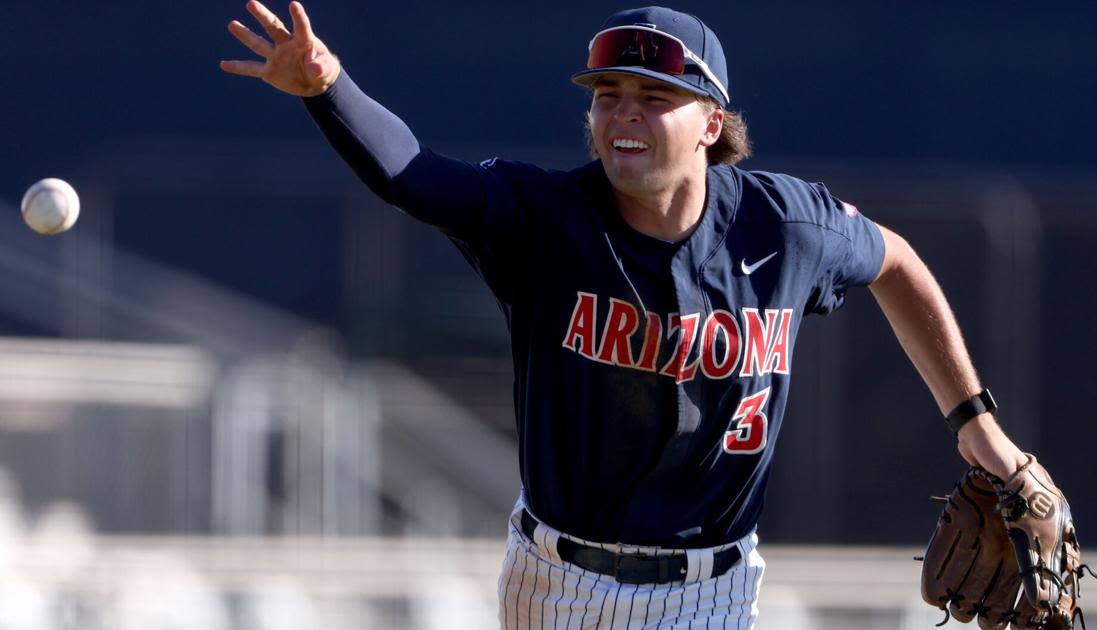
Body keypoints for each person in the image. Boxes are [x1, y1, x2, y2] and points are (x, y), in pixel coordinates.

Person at [220, 2, 1044, 627]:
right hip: (560, 586)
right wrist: (328, 89)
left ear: (711, 124)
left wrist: (975, 420)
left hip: (716, 590)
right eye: (608, 97)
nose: (622, 117)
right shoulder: (544, 220)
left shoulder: (785, 228)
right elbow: (413, 174)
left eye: (654, 98)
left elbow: (895, 262)